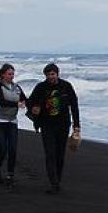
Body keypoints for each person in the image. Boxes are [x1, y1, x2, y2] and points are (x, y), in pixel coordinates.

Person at [28, 63, 81, 193]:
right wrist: (34, 108)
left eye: (53, 74)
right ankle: (54, 183)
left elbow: (74, 106)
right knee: (50, 153)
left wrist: (76, 125)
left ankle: (58, 178)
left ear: (57, 74)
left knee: (60, 155)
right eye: (48, 75)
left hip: (63, 125)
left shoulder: (66, 86)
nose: (51, 77)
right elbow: (30, 102)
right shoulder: (41, 87)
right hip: (47, 125)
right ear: (45, 75)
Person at [0, 63, 27, 188]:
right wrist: (16, 105)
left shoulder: (17, 87)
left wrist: (36, 108)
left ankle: (10, 175)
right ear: (3, 75)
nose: (11, 76)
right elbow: (1, 102)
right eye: (9, 74)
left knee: (12, 149)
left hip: (12, 122)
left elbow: (25, 100)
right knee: (2, 149)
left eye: (13, 74)